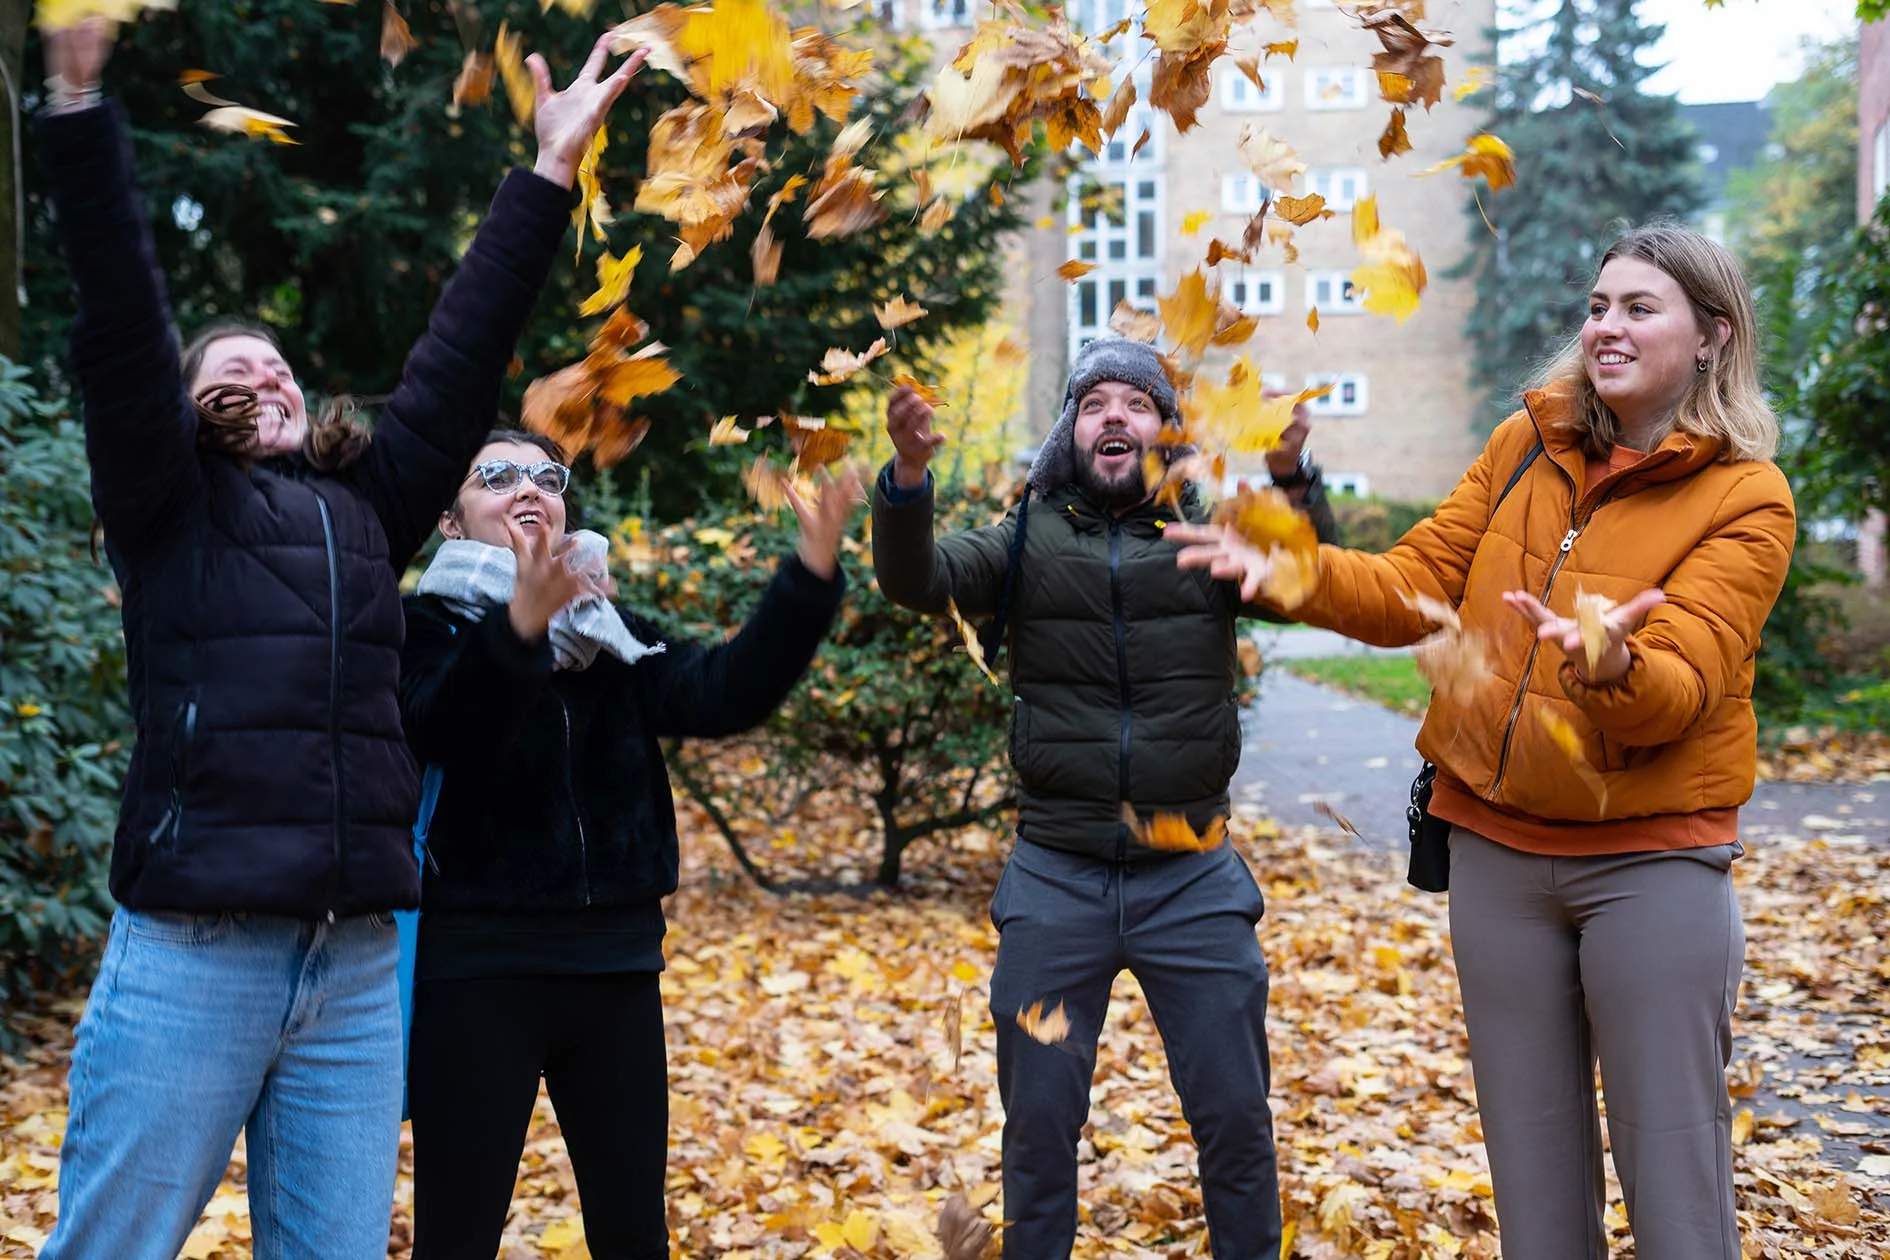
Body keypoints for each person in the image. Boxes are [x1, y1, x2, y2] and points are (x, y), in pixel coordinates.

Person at [34, 18, 646, 1260]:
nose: (267, 377)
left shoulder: (366, 507)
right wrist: (82, 115)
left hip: (358, 966)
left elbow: (460, 356)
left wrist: (547, 173)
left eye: (281, 370)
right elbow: (119, 327)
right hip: (197, 951)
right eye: (232, 371)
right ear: (189, 409)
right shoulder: (170, 510)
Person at [1167, 225, 1793, 1259]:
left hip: (1651, 865)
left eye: (1641, 308)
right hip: (1496, 856)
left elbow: (1680, 691)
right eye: (1599, 306)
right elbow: (1415, 586)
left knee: (1675, 1184)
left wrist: (1609, 666)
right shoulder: (1526, 445)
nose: (1608, 326)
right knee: (1534, 1183)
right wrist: (1296, 570)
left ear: (1714, 335)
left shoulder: (1745, 497)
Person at [871, 335, 1338, 1259]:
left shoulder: (1210, 530)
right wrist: (908, 478)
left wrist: (1291, 471)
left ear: (1166, 430)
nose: (1115, 416)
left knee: (1237, 1121)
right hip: (1056, 873)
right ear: (1070, 433)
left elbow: (1307, 585)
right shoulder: (1025, 536)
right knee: (1038, 1133)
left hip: (1194, 877)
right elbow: (913, 580)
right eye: (1094, 404)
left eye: (1135, 401)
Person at [398, 432, 857, 1259]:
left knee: (634, 1235)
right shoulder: (421, 628)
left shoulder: (605, 629)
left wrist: (810, 576)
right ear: (450, 520)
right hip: (477, 972)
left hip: (614, 966)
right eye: (496, 477)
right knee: (457, 1237)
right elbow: (452, 728)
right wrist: (519, 631)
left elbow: (720, 693)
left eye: (546, 476)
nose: (527, 489)